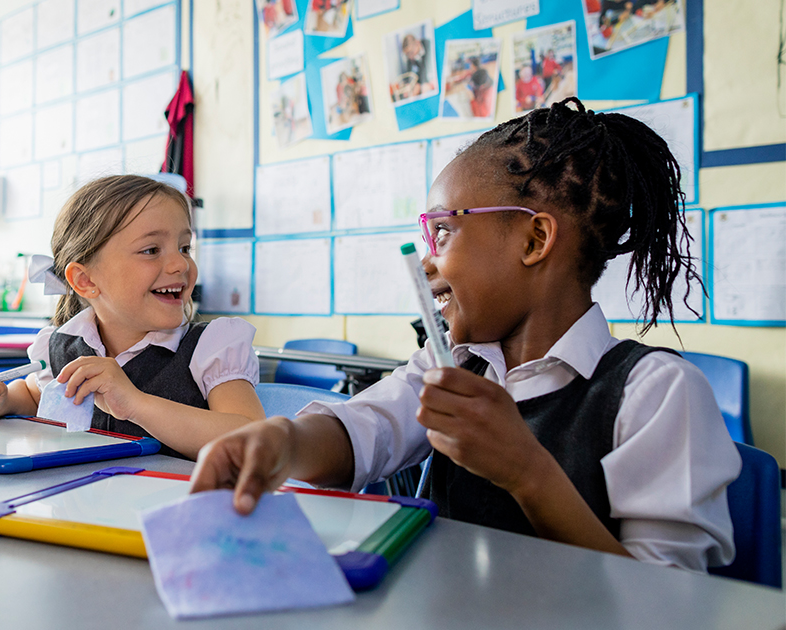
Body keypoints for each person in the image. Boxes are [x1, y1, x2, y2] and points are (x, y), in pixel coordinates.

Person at [189, 98, 740, 573]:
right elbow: (365, 430)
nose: (428, 262)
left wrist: (527, 473)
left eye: (444, 231)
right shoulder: (451, 362)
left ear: (534, 239)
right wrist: (283, 443)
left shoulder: (655, 394)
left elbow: (667, 603)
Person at [0, 175, 265, 460]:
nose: (180, 264)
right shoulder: (64, 345)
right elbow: (33, 393)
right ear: (85, 280)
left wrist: (135, 403)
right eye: (151, 250)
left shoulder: (212, 347)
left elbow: (255, 440)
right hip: (85, 507)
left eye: (185, 247)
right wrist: (1, 400)